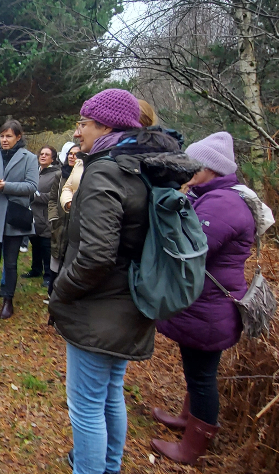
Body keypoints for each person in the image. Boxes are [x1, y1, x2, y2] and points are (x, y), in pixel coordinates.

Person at [49, 89, 196, 474]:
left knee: (85, 409)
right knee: (110, 395)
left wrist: (60, 292)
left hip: (100, 310)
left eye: (83, 123)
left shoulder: (104, 172)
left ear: (106, 125)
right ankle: (110, 467)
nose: (77, 132)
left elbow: (96, 255)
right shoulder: (138, 166)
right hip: (128, 303)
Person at [150, 132, 256, 465]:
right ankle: (188, 418)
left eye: (193, 163)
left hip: (211, 308)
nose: (187, 169)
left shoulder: (223, 204)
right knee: (196, 371)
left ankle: (194, 446)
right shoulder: (210, 194)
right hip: (204, 303)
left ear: (210, 167)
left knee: (202, 376)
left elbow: (191, 249)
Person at [0, 119, 39, 319]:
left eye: (8, 136)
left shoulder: (29, 158)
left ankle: (8, 300)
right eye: (2, 136)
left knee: (11, 263)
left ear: (18, 137)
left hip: (14, 217)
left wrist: (6, 186)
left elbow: (31, 186)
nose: (4, 140)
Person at [22, 145, 60, 288]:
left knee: (46, 247)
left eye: (47, 154)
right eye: (41, 154)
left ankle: (49, 276)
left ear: (53, 158)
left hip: (46, 216)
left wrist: (35, 196)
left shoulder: (57, 174)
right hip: (33, 216)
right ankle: (35, 269)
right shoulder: (35, 172)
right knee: (35, 244)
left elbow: (55, 196)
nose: (43, 156)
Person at [47, 143, 79, 307]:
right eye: (70, 154)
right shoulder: (60, 176)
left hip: (75, 227)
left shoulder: (85, 176)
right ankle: (51, 293)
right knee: (56, 258)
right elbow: (52, 200)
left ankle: (64, 296)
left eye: (76, 154)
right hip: (59, 224)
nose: (73, 156)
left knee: (69, 261)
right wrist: (53, 218)